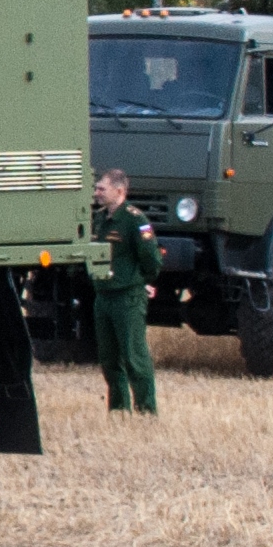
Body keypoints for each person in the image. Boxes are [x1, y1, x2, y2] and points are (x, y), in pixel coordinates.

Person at [86, 168, 161, 414]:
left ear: (119, 191)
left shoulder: (134, 220)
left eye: (101, 188)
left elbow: (151, 258)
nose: (96, 192)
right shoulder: (99, 219)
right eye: (96, 188)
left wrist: (142, 282)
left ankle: (146, 410)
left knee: (134, 357)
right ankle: (118, 410)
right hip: (104, 296)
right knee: (109, 359)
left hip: (127, 297)